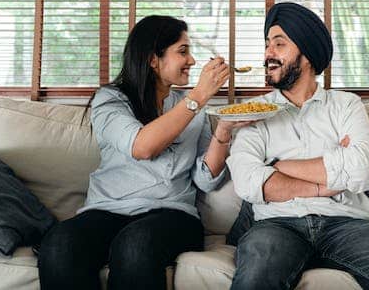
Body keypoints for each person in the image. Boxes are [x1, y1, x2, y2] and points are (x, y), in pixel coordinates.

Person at [226, 2, 369, 290]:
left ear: (308, 55)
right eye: (267, 45)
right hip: (277, 225)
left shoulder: (346, 105)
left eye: (279, 44)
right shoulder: (253, 112)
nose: (268, 54)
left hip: (347, 224)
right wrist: (325, 181)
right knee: (255, 279)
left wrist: (278, 167)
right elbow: (248, 181)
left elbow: (359, 166)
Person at [38, 15, 249, 290]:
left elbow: (206, 179)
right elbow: (142, 147)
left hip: (172, 215)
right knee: (58, 244)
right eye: (182, 51)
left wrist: (222, 133)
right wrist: (197, 97)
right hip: (107, 210)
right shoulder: (110, 100)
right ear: (153, 59)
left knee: (135, 244)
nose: (192, 61)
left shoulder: (192, 110)